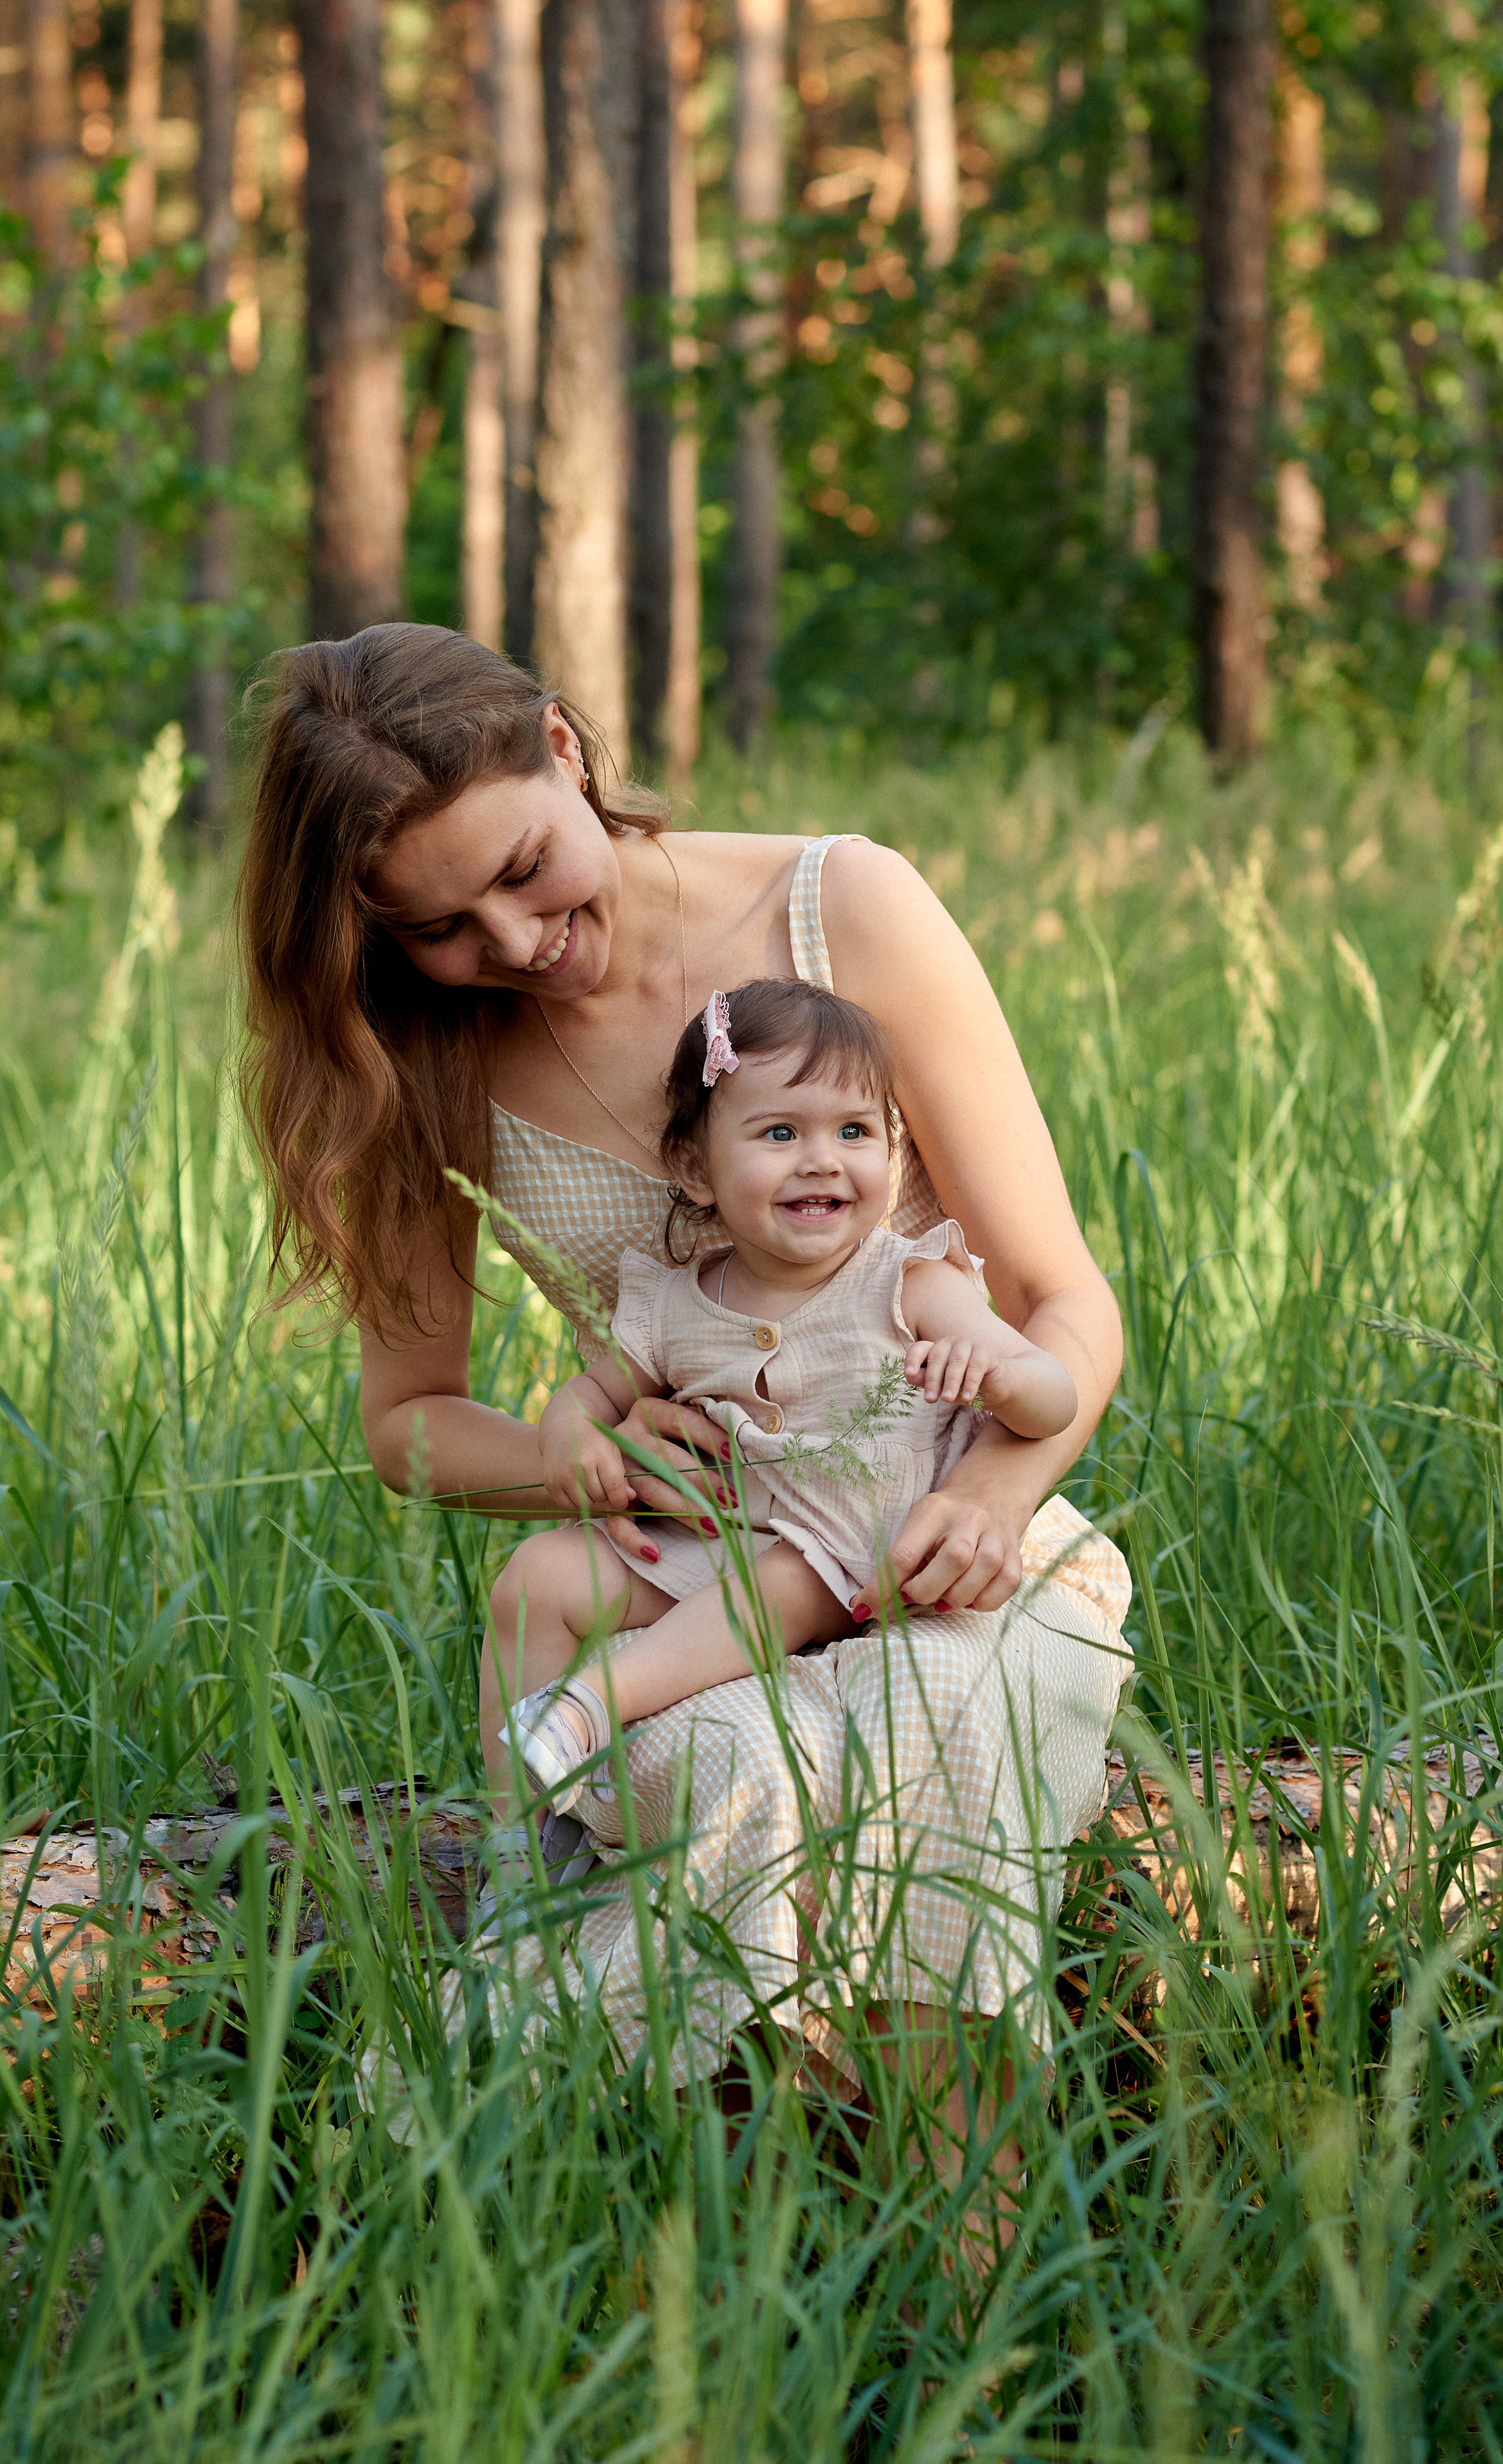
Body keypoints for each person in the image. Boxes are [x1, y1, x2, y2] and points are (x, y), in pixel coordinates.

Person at [238, 621, 1132, 2145]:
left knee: (927, 1724)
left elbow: (1061, 1300)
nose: (513, 945)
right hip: (684, 1573)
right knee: (693, 1728)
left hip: (917, 1538)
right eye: (442, 926)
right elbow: (407, 1427)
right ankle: (674, 2211)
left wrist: (987, 1498)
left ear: (566, 751)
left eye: (523, 868)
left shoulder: (837, 905)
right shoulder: (422, 1054)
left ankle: (963, 2251)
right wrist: (584, 1454)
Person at [490, 977, 1090, 1813]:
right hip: (734, 1542)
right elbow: (593, 1394)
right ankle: (518, 1842)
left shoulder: (910, 1281)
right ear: (695, 1168)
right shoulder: (673, 1303)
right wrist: (569, 1431)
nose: (821, 1157)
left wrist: (998, 1374)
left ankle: (595, 1705)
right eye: (780, 1132)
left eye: (854, 1131)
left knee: (783, 1576)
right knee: (537, 1580)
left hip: (874, 1556)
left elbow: (1054, 1397)